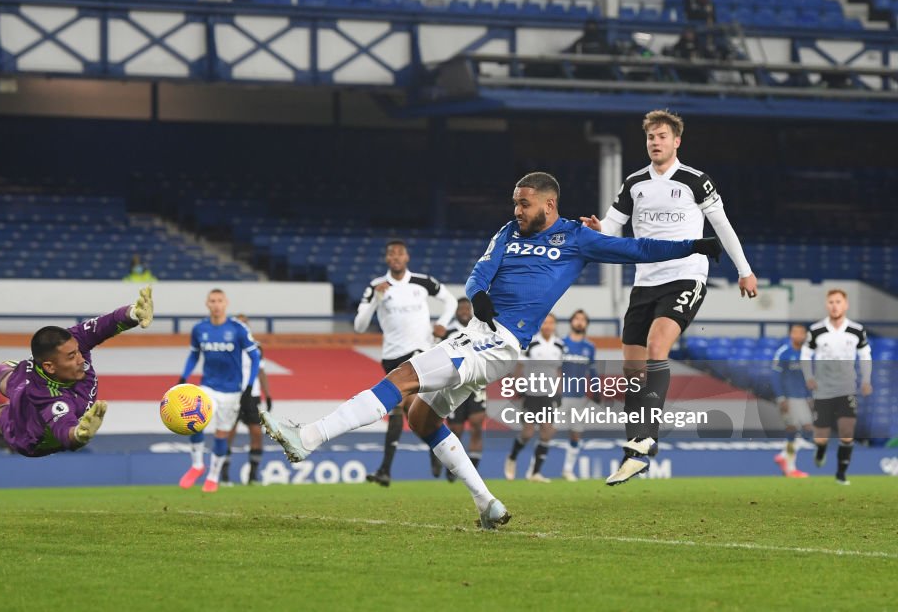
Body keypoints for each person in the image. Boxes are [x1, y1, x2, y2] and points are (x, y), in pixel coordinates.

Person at [261, 171, 723, 528]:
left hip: (496, 340)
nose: (517, 210)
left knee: (400, 379)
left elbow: (638, 249)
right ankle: (488, 504)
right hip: (478, 333)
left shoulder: (577, 239)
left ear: (549, 203)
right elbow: (479, 273)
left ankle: (310, 437)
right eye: (515, 203)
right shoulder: (507, 232)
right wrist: (478, 296)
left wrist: (696, 245)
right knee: (422, 416)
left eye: (525, 204)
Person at [580, 109, 758, 486]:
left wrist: (744, 269)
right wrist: (598, 230)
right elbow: (613, 226)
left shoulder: (696, 181)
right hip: (645, 282)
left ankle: (646, 437)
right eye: (650, 137)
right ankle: (635, 449)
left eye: (662, 136)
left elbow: (721, 225)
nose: (655, 143)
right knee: (631, 369)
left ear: (676, 141)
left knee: (657, 346)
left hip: (686, 276)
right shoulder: (635, 183)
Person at [0, 287, 154, 457]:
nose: (81, 358)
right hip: (30, 434)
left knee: (4, 376)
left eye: (78, 352)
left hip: (24, 376)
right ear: (50, 366)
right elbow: (64, 431)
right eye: (71, 357)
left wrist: (133, 313)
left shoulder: (72, 341)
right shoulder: (51, 398)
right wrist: (79, 435)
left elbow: (104, 325)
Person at [354, 239, 458, 487]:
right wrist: (377, 300)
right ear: (387, 259)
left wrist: (442, 322)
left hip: (419, 353)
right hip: (391, 356)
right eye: (391, 254)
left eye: (400, 253)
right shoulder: (376, 287)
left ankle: (385, 471)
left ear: (407, 257)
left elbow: (451, 301)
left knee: (400, 408)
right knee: (412, 413)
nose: (396, 257)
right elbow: (359, 326)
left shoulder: (422, 282)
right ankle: (437, 452)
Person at [177, 289, 261, 493]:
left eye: (219, 301)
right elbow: (194, 356)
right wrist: (183, 378)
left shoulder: (238, 328)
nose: (216, 304)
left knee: (221, 435)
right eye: (212, 301)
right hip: (208, 387)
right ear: (207, 304)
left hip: (232, 391)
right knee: (194, 421)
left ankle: (213, 476)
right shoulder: (199, 329)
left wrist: (249, 388)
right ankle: (197, 465)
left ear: (226, 303)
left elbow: (255, 357)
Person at [801, 289, 873, 485]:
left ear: (845, 304)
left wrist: (866, 380)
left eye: (838, 302)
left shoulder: (857, 330)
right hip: (823, 390)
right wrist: (809, 377)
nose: (835, 305)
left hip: (846, 388)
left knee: (847, 432)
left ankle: (841, 474)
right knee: (822, 436)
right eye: (831, 302)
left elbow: (865, 356)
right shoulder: (816, 330)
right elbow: (806, 355)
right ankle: (821, 449)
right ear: (827, 305)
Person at [505, 313, 564, 483]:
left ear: (555, 325)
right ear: (540, 324)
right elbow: (519, 367)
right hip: (531, 393)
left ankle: (535, 472)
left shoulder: (559, 345)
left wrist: (559, 392)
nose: (548, 326)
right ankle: (512, 456)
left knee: (547, 432)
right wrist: (519, 387)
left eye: (551, 323)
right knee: (528, 432)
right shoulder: (532, 343)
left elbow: (558, 371)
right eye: (545, 322)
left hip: (548, 395)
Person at [219, 313, 273, 486]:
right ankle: (225, 476)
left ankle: (253, 476)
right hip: (233, 394)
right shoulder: (226, 346)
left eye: (245, 324)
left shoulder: (256, 347)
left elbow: (261, 372)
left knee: (257, 434)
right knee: (228, 434)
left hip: (252, 396)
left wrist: (268, 394)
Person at [441, 297, 487, 482]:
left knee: (477, 424)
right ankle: (453, 468)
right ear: (456, 312)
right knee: (456, 430)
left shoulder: (480, 330)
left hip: (476, 384)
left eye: (467, 308)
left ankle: (473, 470)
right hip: (455, 385)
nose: (464, 311)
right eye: (461, 308)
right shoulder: (449, 332)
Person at [559, 309, 599, 481]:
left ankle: (568, 470)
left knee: (576, 433)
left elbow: (593, 371)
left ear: (586, 324)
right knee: (547, 431)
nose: (579, 322)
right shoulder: (560, 344)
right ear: (571, 322)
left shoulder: (589, 347)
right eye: (577, 319)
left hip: (579, 397)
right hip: (560, 397)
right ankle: (534, 470)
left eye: (583, 319)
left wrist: (596, 390)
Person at [771, 324, 813, 478]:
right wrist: (781, 397)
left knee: (799, 431)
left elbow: (807, 377)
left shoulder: (806, 354)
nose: (799, 335)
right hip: (789, 397)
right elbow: (775, 376)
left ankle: (785, 458)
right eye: (796, 332)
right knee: (800, 428)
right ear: (790, 334)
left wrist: (809, 396)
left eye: (802, 332)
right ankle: (790, 467)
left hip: (802, 397)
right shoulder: (783, 353)